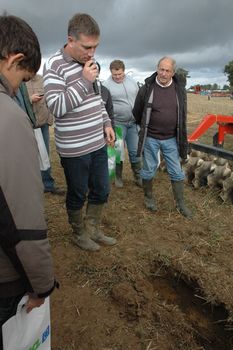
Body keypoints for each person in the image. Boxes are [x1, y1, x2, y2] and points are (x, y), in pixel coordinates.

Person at [0, 14, 57, 349]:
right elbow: (20, 215)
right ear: (13, 59)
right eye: (23, 77)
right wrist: (41, 283)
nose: (19, 87)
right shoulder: (8, 116)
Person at [43, 13, 116, 251]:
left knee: (102, 188)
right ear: (70, 40)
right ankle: (79, 232)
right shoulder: (54, 65)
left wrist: (106, 123)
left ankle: (93, 228)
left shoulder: (90, 64)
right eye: (87, 47)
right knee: (78, 192)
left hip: (97, 142)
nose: (92, 53)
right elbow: (56, 107)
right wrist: (84, 81)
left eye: (95, 47)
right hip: (74, 149)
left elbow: (97, 100)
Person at [133, 56, 192, 218]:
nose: (163, 73)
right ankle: (149, 197)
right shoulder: (147, 88)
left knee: (176, 172)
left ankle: (180, 204)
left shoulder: (179, 89)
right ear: (157, 69)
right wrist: (144, 126)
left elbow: (182, 113)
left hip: (171, 138)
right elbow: (137, 112)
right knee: (149, 170)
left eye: (167, 70)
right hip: (151, 138)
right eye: (161, 69)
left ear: (173, 73)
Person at [103, 60, 142, 187]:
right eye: (115, 75)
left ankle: (138, 176)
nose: (118, 77)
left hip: (133, 123)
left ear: (124, 71)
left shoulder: (132, 82)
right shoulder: (106, 85)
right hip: (118, 123)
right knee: (118, 151)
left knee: (135, 151)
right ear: (111, 72)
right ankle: (118, 177)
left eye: (120, 74)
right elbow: (104, 106)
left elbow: (139, 98)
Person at [26, 74, 65, 195]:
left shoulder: (43, 80)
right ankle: (31, 186)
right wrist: (29, 99)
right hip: (27, 124)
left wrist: (49, 119)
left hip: (42, 124)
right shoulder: (20, 81)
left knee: (45, 156)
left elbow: (51, 100)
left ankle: (48, 184)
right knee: (28, 157)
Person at [96, 62, 114, 129]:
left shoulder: (105, 91)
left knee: (119, 139)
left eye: (96, 71)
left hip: (104, 131)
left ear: (99, 73)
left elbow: (110, 113)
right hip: (86, 133)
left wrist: (113, 133)